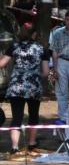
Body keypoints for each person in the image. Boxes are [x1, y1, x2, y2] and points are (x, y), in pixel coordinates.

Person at [0, 23, 50, 155]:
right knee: (33, 116)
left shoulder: (14, 46)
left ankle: (15, 147)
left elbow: (2, 64)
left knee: (17, 117)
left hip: (16, 86)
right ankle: (32, 144)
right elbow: (45, 72)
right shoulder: (42, 49)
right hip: (34, 87)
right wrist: (34, 74)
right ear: (34, 34)